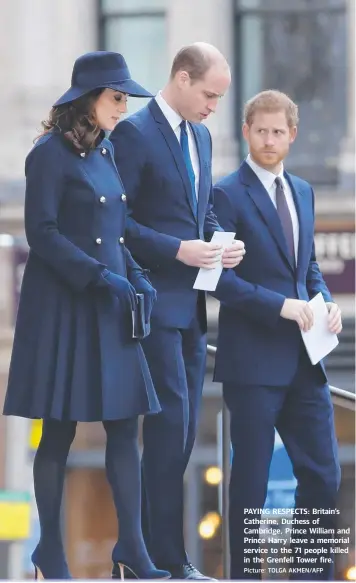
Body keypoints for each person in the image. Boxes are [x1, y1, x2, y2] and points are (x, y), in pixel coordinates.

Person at [2, 51, 171, 581]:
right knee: (58, 432)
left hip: (110, 306)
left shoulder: (107, 152)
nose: (123, 107)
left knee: (125, 428)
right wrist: (103, 278)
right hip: (65, 307)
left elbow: (117, 232)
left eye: (125, 98)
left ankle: (133, 551)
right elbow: (42, 234)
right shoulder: (46, 155)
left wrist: (137, 279)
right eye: (116, 97)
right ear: (89, 98)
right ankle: (48, 552)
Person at [110, 43, 245, 579]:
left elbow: (202, 207)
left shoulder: (203, 136)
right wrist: (178, 249)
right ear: (182, 79)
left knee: (184, 435)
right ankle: (160, 559)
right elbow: (117, 225)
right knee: (169, 431)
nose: (214, 106)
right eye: (209, 94)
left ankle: (143, 556)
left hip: (192, 309)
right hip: (153, 306)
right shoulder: (133, 135)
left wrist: (217, 239)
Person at [212, 90, 343, 580]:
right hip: (252, 361)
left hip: (306, 361)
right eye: (260, 130)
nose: (269, 140)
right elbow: (220, 281)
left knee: (323, 473)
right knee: (251, 481)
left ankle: (313, 576)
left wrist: (324, 301)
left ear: (293, 135)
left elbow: (306, 266)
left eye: (278, 131)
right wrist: (281, 306)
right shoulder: (225, 194)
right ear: (246, 132)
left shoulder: (304, 191)